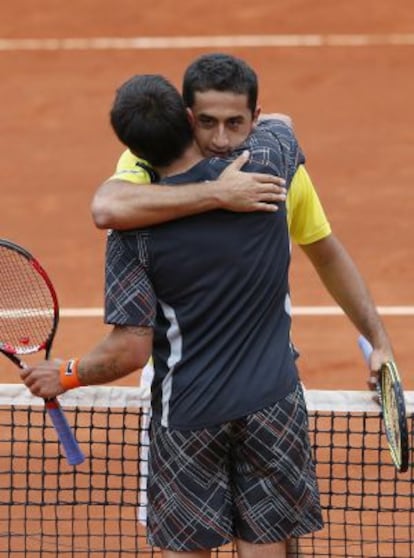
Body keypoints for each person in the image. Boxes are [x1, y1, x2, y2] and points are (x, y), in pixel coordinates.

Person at [21, 73, 330, 558]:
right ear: (191, 120)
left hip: (187, 417)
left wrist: (65, 374)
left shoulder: (130, 234)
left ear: (132, 155)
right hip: (272, 402)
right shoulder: (269, 164)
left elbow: (130, 349)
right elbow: (279, 122)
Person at [92, 52, 393, 380]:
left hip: (266, 381)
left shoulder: (278, 174)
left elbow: (327, 255)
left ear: (254, 118)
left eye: (234, 123)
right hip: (175, 382)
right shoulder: (149, 166)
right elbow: (107, 207)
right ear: (188, 118)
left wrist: (379, 340)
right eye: (208, 122)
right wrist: (218, 192)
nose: (221, 140)